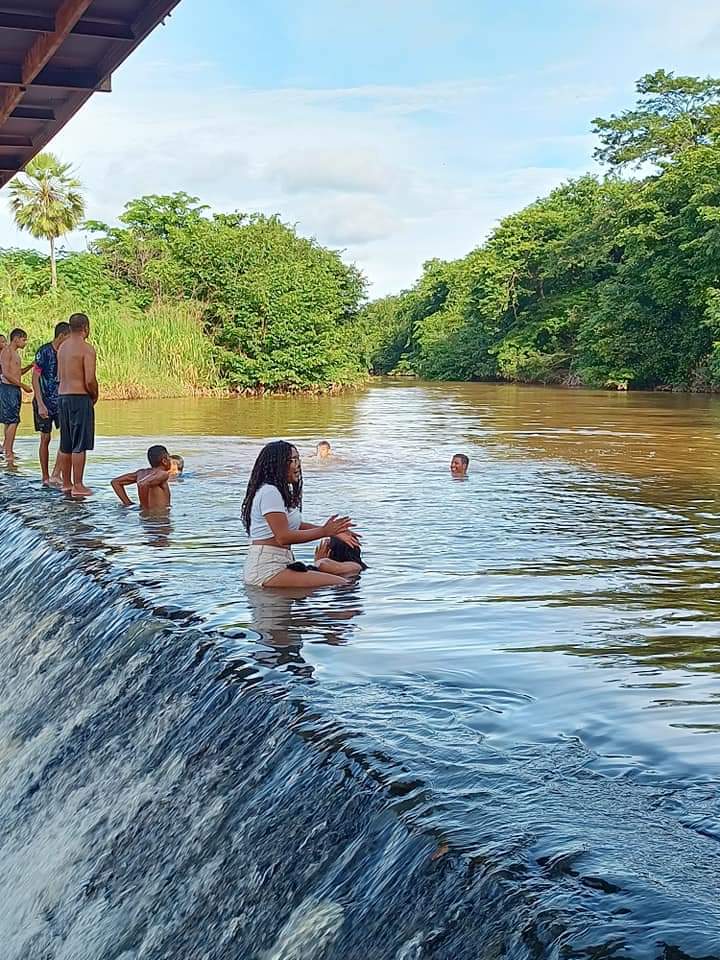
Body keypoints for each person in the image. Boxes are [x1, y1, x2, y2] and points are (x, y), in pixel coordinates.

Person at [241, 439, 358, 589]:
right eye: (292, 460)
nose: (297, 465)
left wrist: (335, 533)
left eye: (298, 459)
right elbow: (283, 537)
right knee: (341, 583)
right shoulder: (270, 492)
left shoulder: (276, 492)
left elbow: (296, 525)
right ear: (278, 464)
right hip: (267, 567)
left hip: (277, 562)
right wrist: (324, 531)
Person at [57, 313, 98, 497]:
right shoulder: (86, 349)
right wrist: (94, 394)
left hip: (62, 398)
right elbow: (89, 379)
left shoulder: (62, 348)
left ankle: (66, 483)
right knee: (79, 444)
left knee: (66, 443)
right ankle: (79, 485)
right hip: (79, 398)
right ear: (86, 328)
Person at [32, 321, 71, 485]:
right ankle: (45, 476)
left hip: (62, 401)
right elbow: (35, 378)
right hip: (45, 400)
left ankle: (57, 473)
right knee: (45, 438)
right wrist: (40, 403)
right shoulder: (44, 351)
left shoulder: (67, 352)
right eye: (68, 338)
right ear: (61, 336)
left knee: (66, 439)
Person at [0, 328, 32, 466]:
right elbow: (6, 374)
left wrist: (30, 366)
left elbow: (17, 372)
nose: (25, 343)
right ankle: (8, 451)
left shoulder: (14, 353)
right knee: (13, 420)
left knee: (10, 421)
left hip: (14, 389)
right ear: (16, 338)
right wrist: (23, 385)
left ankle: (7, 449)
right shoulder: (6, 352)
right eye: (24, 340)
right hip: (8, 389)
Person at [111, 444, 172, 510]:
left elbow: (115, 482)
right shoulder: (163, 474)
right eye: (169, 458)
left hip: (146, 517)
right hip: (159, 518)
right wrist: (144, 507)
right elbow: (142, 484)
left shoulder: (141, 473)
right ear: (164, 461)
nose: (171, 461)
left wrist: (128, 503)